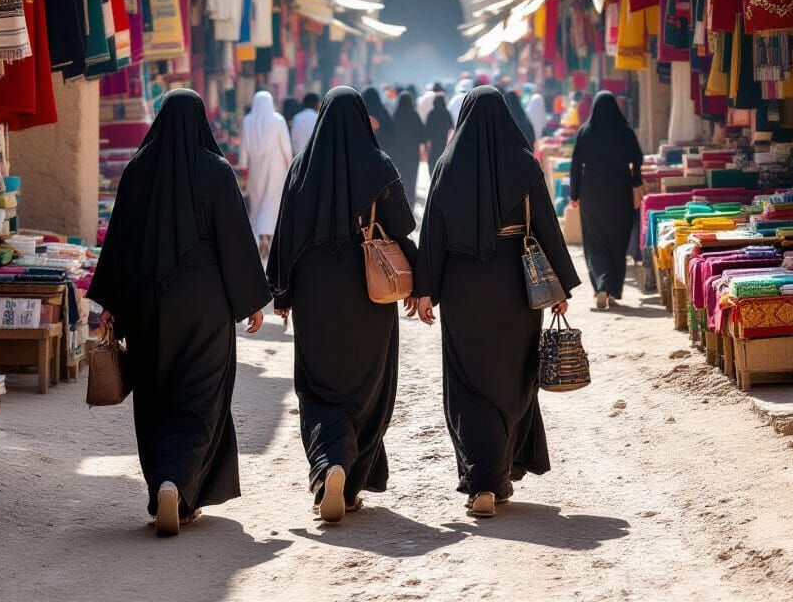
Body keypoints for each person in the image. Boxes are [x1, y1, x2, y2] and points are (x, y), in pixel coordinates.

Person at [87, 89, 270, 536]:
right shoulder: (217, 173)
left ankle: (166, 486)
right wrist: (250, 301)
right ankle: (179, 483)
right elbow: (234, 240)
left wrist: (111, 303)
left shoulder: (136, 172)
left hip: (147, 306)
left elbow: (121, 243)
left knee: (155, 395)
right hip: (206, 306)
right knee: (201, 397)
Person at [413, 86, 580, 518]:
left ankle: (483, 479)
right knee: (514, 377)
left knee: (468, 382)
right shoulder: (523, 164)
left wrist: (425, 288)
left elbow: (432, 233)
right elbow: (546, 225)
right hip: (516, 289)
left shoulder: (447, 166)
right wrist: (560, 285)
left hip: (463, 288)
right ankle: (499, 472)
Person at [267, 87, 417, 523]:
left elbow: (285, 235)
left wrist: (282, 292)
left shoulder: (301, 168)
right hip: (368, 292)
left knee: (316, 386)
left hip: (315, 292)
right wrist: (421, 282)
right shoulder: (378, 165)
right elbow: (404, 225)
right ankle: (349, 484)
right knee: (368, 386)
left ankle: (329, 461)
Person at [568, 90, 643, 309]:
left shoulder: (586, 131)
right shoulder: (625, 131)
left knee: (595, 241)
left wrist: (574, 194)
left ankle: (602, 285)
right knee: (617, 240)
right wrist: (635, 179)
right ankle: (611, 288)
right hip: (619, 190)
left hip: (592, 192)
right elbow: (637, 157)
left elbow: (575, 165)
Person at [240, 90, 293, 257]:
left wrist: (243, 166)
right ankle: (267, 234)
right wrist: (290, 165)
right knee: (271, 200)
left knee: (257, 200)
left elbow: (243, 147)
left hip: (256, 167)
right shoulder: (278, 120)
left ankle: (260, 235)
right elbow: (286, 147)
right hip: (275, 166)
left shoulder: (247, 121)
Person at [392, 90, 426, 204]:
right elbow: (422, 135)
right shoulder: (414, 115)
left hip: (398, 152)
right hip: (412, 153)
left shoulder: (395, 115)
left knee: (400, 174)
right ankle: (411, 199)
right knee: (412, 175)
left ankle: (400, 198)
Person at [361, 86, 397, 157]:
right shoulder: (384, 113)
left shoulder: (361, 114)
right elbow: (392, 133)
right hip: (384, 155)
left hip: (366, 156)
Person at [424, 92, 453, 171]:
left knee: (433, 164)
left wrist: (427, 145)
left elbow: (427, 130)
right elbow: (451, 128)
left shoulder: (431, 113)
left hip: (433, 144)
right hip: (444, 143)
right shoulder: (446, 113)